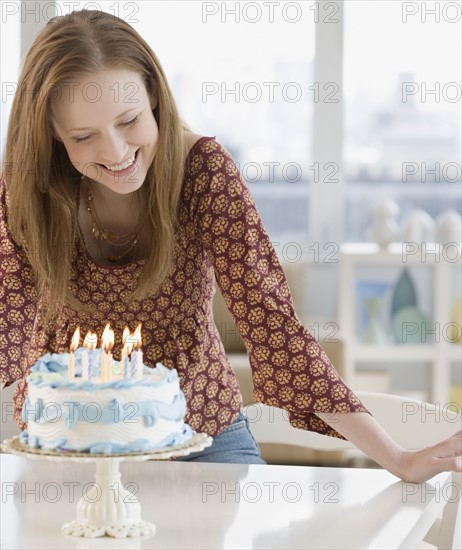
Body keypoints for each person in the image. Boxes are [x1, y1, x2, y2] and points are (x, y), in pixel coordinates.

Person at [0, 10, 460, 480]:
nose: (116, 151)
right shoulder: (27, 187)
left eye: (129, 120)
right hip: (63, 443)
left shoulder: (205, 173)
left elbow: (272, 325)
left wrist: (399, 459)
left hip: (202, 434)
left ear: (154, 95)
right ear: (53, 134)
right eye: (84, 136)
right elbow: (6, 324)